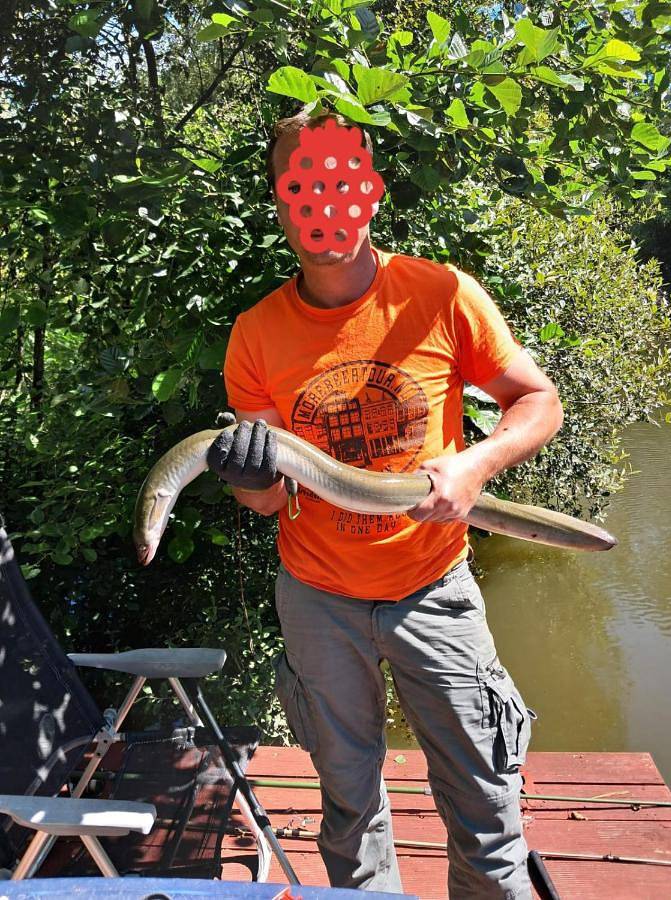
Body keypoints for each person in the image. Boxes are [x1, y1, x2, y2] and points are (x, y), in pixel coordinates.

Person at [207, 109, 563, 898]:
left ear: (369, 192)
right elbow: (264, 501)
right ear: (277, 199)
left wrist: (475, 465)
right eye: (303, 185)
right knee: (347, 803)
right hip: (316, 598)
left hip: (434, 588)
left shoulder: (438, 294)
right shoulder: (256, 333)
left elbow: (537, 400)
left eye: (341, 181)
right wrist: (245, 473)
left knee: (484, 804)